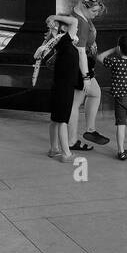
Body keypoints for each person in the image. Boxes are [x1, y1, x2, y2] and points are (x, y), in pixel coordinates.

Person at [65, 0, 108, 152]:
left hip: (80, 64)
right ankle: (71, 141)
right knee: (75, 104)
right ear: (85, 5)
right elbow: (81, 52)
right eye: (94, 11)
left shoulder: (78, 12)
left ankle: (90, 130)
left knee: (95, 94)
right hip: (78, 66)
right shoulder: (81, 23)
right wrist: (85, 77)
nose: (96, 15)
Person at [40, 15, 82, 163]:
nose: (75, 28)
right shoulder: (64, 40)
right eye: (71, 26)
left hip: (59, 85)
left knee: (55, 119)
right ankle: (66, 153)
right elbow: (75, 21)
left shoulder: (59, 42)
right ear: (64, 28)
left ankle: (53, 149)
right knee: (62, 120)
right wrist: (54, 17)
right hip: (65, 87)